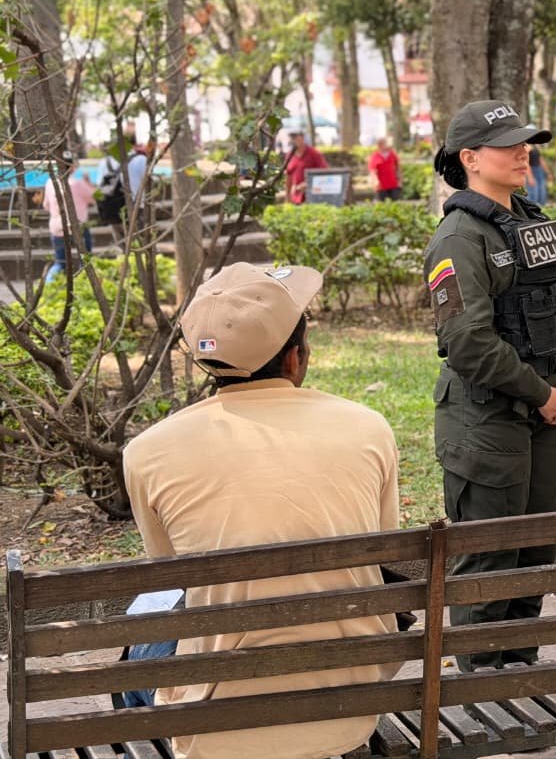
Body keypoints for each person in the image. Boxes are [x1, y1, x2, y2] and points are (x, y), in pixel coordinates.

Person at [121, 262, 400, 759]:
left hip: (216, 723)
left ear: (208, 364)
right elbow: (381, 545)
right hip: (352, 698)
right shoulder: (368, 427)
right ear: (295, 358)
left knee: (138, 643)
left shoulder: (146, 452)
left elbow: (172, 573)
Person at [426, 100, 556, 671]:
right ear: (469, 158)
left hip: (544, 418)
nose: (524, 150)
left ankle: (517, 688)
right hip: (486, 423)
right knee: (487, 567)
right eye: (508, 143)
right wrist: (545, 395)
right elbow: (467, 343)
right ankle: (478, 703)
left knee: (534, 558)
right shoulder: (458, 237)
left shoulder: (535, 223)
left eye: (526, 141)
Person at [40, 150, 95, 281]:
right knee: (85, 261)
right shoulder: (78, 184)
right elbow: (94, 198)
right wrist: (89, 183)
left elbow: (46, 206)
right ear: (71, 166)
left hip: (57, 227)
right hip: (78, 226)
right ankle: (85, 287)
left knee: (60, 263)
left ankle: (49, 288)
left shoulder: (50, 183)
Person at [284, 130, 328, 204]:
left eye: (296, 136)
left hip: (313, 196)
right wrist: (287, 196)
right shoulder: (289, 155)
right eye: (292, 137)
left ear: (302, 137)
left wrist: (307, 183)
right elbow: (288, 177)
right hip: (296, 197)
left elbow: (324, 172)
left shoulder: (314, 153)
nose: (294, 139)